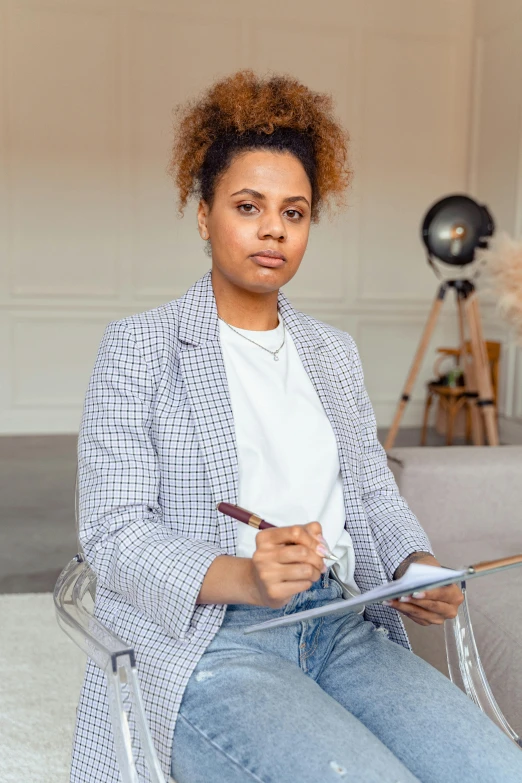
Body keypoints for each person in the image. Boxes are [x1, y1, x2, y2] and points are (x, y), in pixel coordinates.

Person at [71, 70, 522, 783]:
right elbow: (114, 531)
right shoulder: (141, 347)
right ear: (203, 213)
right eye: (248, 206)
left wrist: (414, 569)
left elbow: (374, 495)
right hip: (214, 641)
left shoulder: (331, 352)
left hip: (342, 625)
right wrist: (245, 575)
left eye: (296, 211)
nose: (274, 228)